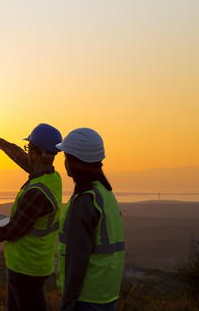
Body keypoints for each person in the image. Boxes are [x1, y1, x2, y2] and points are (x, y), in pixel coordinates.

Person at [0, 123, 63, 311]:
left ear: (36, 152)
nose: (27, 153)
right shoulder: (52, 177)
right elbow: (23, 159)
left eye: (29, 149)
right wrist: (0, 143)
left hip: (26, 267)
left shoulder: (37, 192)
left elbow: (12, 231)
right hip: (34, 264)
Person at [55, 128, 125, 311]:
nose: (64, 162)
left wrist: (67, 304)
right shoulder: (105, 194)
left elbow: (76, 262)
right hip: (106, 295)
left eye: (66, 157)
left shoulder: (84, 202)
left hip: (86, 298)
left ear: (74, 161)